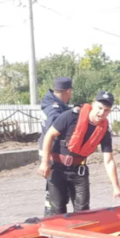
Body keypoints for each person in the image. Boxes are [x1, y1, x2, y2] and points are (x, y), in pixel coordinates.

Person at [38, 91, 120, 215]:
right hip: (57, 169)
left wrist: (116, 187)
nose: (101, 113)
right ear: (93, 104)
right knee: (57, 209)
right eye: (99, 108)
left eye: (106, 110)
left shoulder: (104, 130)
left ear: (110, 111)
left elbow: (109, 160)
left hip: (79, 172)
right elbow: (49, 135)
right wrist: (44, 162)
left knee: (83, 211)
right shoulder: (70, 116)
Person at [39, 77, 74, 215]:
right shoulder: (54, 108)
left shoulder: (55, 104)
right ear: (68, 91)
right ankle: (51, 220)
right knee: (54, 193)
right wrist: (45, 161)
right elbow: (53, 130)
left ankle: (53, 218)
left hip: (52, 155)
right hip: (51, 155)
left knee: (57, 192)